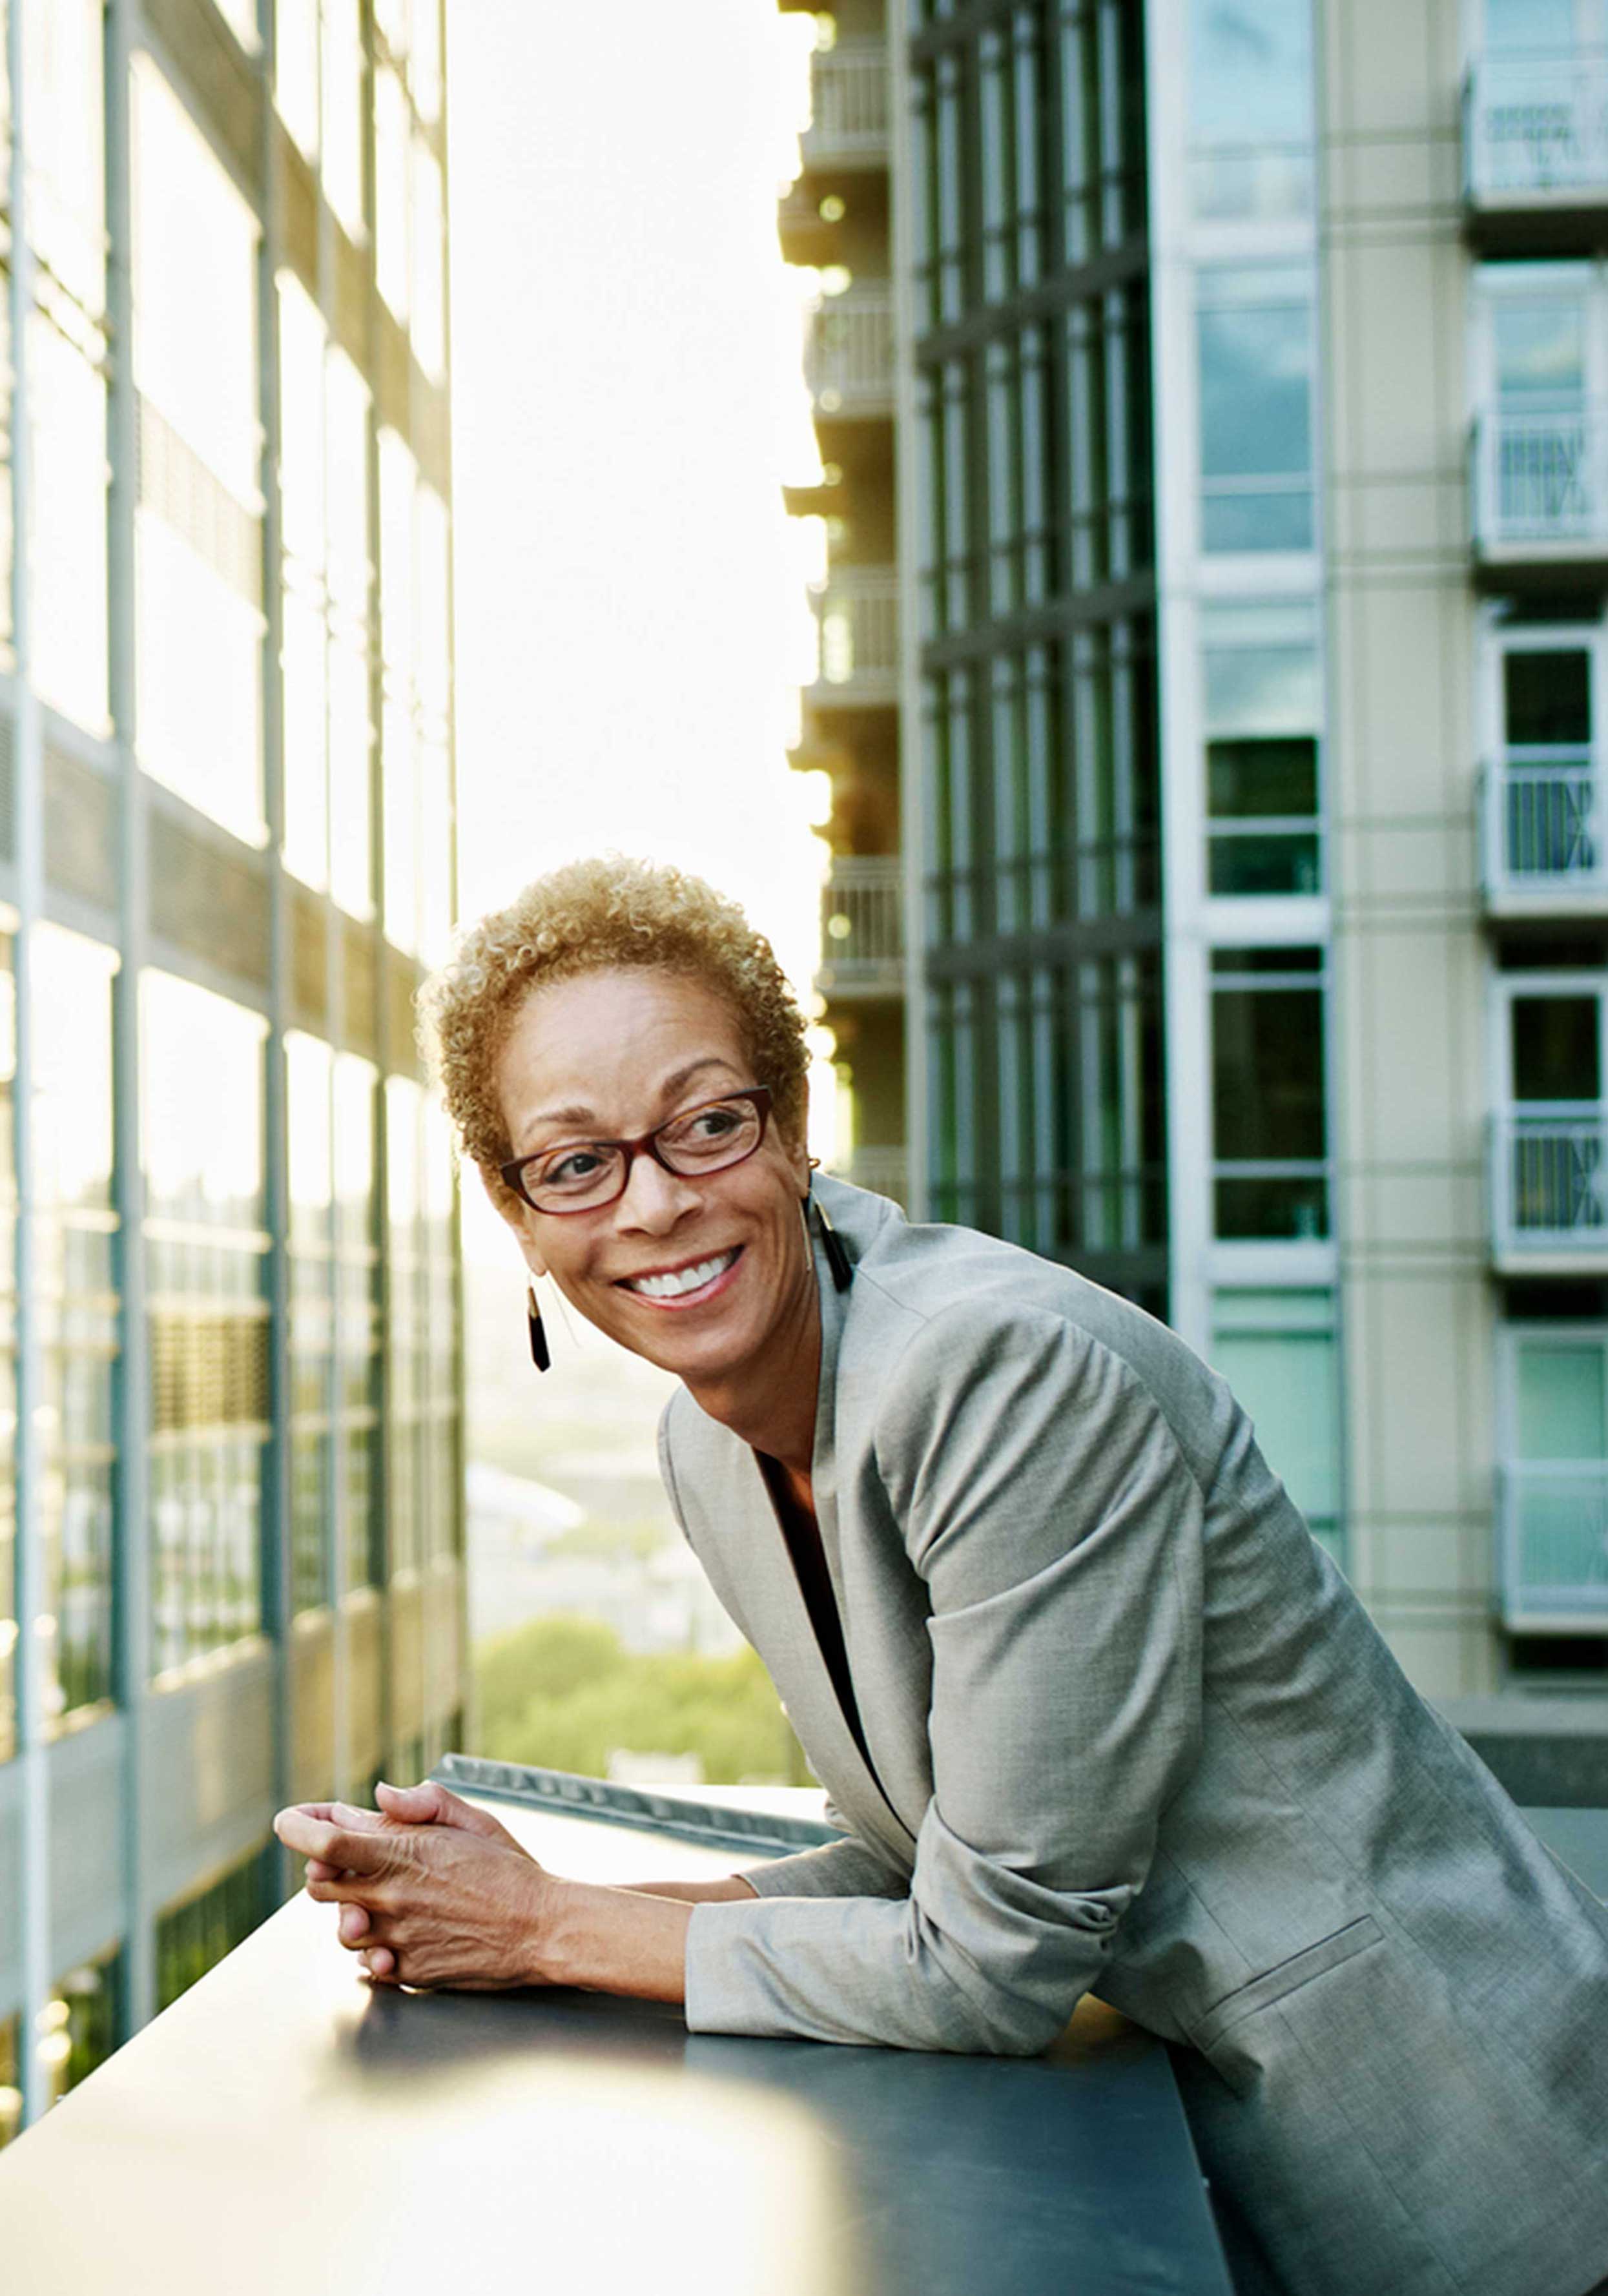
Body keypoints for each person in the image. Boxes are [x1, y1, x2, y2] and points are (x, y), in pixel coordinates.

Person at [275, 856, 1608, 2296]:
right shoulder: (708, 1440)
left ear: (794, 1127)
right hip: (1221, 2160)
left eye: (707, 1125)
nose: (651, 1203)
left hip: (1484, 2156)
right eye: (577, 1163)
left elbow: (993, 1960)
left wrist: (549, 1931)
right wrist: (517, 1900)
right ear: (517, 1210)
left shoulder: (999, 1373)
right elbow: (925, 1858)